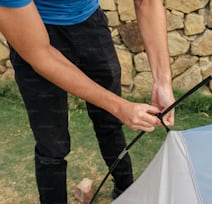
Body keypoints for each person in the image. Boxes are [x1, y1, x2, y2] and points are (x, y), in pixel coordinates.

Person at [0, 0, 175, 203]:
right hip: (34, 30)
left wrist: (162, 81)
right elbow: (40, 54)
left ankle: (126, 189)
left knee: (109, 123)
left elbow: (148, 3)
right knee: (52, 144)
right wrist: (120, 106)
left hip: (90, 25)